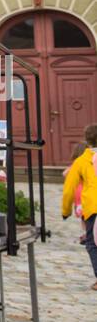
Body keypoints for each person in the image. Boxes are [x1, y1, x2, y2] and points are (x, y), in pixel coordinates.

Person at [61, 124, 97, 290]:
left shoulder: (81, 161)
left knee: (92, 242)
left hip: (93, 207)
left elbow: (69, 189)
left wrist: (65, 211)